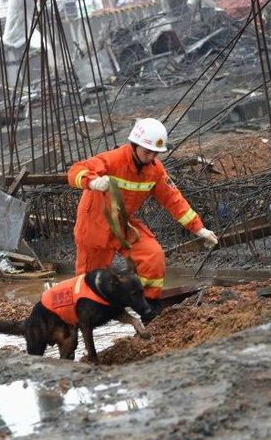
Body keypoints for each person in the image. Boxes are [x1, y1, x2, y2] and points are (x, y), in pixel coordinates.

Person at [67, 118, 218, 318]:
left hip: (122, 225)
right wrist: (93, 182)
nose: (151, 157)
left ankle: (149, 309)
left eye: (155, 153)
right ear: (134, 145)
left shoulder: (154, 170)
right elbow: (75, 171)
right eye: (147, 152)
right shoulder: (113, 159)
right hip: (94, 229)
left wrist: (199, 229)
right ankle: (82, 326)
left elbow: (173, 199)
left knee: (152, 256)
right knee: (89, 287)